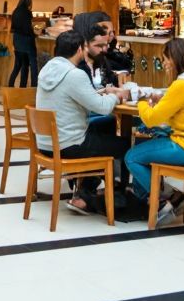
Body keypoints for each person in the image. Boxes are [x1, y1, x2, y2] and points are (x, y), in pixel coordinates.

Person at [125, 38, 184, 224]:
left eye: (165, 58)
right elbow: (183, 114)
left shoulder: (182, 85)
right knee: (149, 143)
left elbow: (152, 119)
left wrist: (142, 100)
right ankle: (167, 197)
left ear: (175, 59)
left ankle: (166, 200)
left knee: (132, 157)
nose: (164, 63)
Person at [35, 29, 130, 214]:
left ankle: (86, 192)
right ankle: (119, 197)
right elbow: (102, 108)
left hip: (46, 144)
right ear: (80, 49)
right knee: (125, 145)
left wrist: (103, 93)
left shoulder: (48, 69)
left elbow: (79, 96)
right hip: (70, 145)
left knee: (106, 124)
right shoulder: (74, 74)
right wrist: (117, 96)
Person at [8, 0, 38, 88]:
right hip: (27, 43)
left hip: (17, 42)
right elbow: (27, 29)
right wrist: (35, 34)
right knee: (33, 67)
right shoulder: (27, 13)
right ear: (29, 3)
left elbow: (13, 28)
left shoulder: (15, 11)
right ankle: (33, 90)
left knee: (18, 66)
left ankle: (11, 88)